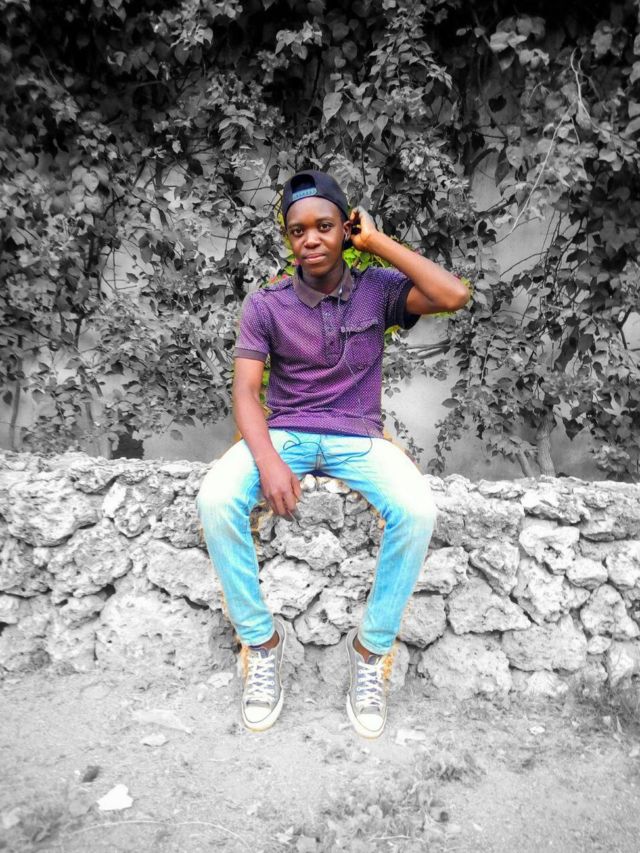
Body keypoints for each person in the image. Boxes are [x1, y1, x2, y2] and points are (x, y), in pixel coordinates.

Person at [196, 169, 470, 738]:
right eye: (298, 231)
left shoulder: (379, 290)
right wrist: (268, 461)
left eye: (325, 226)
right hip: (287, 433)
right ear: (289, 239)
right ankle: (261, 644)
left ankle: (370, 652)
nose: (311, 239)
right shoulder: (266, 304)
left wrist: (378, 242)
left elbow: (453, 295)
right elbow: (245, 392)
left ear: (346, 229)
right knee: (216, 499)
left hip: (359, 437)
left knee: (417, 510)